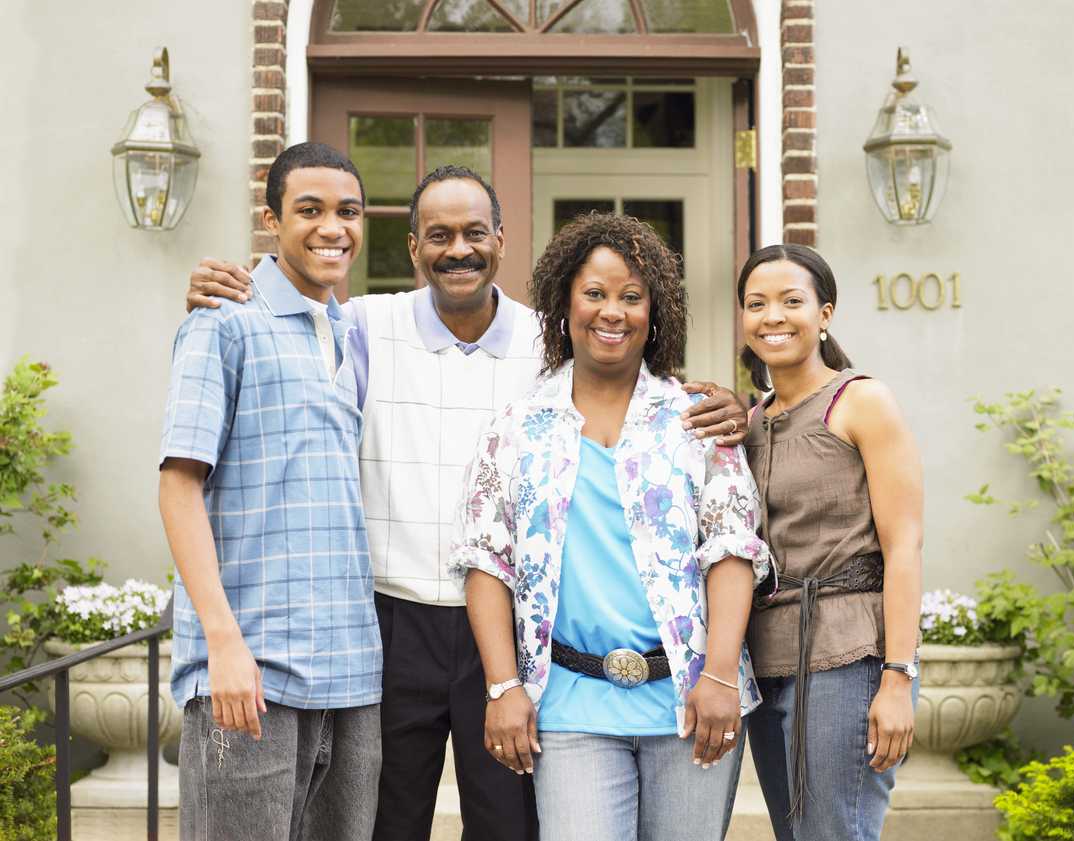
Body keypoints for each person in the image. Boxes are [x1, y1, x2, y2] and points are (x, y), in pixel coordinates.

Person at [186, 167, 751, 841]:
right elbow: (285, 309)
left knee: (508, 825)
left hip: (507, 633)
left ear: (501, 241)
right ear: (413, 247)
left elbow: (622, 367)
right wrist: (219, 289)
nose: (459, 248)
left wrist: (725, 406)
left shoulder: (550, 337)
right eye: (440, 235)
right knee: (385, 821)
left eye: (475, 232)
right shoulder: (363, 324)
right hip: (393, 623)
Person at [449, 213, 773, 841]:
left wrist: (720, 675)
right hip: (570, 706)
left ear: (655, 311)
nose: (612, 312)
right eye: (594, 294)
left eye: (631, 296)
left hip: (689, 701)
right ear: (564, 303)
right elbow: (488, 561)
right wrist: (501, 688)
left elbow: (732, 550)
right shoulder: (517, 427)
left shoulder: (695, 421)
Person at [158, 142, 383, 841]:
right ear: (272, 218)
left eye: (347, 211)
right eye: (308, 210)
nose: (331, 227)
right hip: (247, 673)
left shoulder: (355, 334)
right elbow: (178, 487)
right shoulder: (223, 322)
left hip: (351, 675)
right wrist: (223, 643)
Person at [735, 244, 922, 841]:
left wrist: (897, 677)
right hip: (769, 657)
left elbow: (904, 546)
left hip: (849, 654)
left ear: (825, 314)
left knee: (834, 832)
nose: (773, 317)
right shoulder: (752, 421)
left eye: (792, 301)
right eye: (756, 303)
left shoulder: (861, 401)